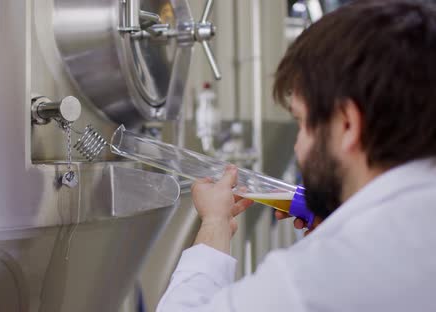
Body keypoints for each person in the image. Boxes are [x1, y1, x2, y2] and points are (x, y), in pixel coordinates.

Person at [157, 0, 436, 311]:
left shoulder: (313, 279)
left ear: (347, 124)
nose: (297, 146)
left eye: (302, 123)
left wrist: (214, 223)